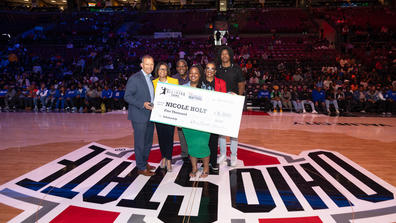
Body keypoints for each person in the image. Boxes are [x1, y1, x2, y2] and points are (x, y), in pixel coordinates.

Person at [124, 55, 156, 176]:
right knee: (140, 142)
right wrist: (142, 104)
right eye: (147, 64)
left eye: (151, 64)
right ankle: (141, 167)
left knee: (148, 142)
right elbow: (127, 96)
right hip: (139, 115)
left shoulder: (152, 78)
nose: (149, 67)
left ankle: (144, 162)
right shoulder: (135, 78)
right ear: (141, 65)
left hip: (151, 115)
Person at [216, 46, 245, 167]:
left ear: (230, 55)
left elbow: (241, 84)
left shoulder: (236, 69)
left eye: (226, 54)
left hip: (233, 103)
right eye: (222, 54)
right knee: (221, 131)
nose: (224, 56)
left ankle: (233, 155)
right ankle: (223, 154)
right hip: (220, 103)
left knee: (233, 131)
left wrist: (238, 99)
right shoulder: (217, 69)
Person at [183, 65, 211, 178]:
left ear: (200, 75)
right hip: (188, 123)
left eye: (196, 73)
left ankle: (206, 167)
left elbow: (216, 103)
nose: (193, 75)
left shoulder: (206, 88)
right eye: (191, 73)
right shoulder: (182, 88)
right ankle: (194, 168)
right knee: (192, 146)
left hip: (203, 123)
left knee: (203, 145)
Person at [152, 62, 179, 172]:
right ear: (157, 71)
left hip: (170, 114)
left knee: (169, 137)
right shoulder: (153, 82)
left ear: (167, 71)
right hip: (158, 114)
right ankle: (163, 157)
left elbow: (178, 97)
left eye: (164, 69)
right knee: (161, 137)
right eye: (160, 69)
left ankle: (169, 160)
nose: (162, 71)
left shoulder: (174, 81)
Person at [201, 62, 227, 172]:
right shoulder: (199, 82)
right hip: (201, 115)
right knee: (203, 140)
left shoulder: (221, 83)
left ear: (215, 71)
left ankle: (212, 161)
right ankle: (204, 161)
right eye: (208, 68)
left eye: (212, 69)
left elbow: (224, 99)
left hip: (214, 116)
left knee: (213, 139)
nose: (210, 71)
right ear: (205, 70)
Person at [172, 59, 190, 163]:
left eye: (183, 66)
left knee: (193, 132)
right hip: (179, 109)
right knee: (181, 132)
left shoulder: (192, 75)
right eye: (179, 66)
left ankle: (194, 152)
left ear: (187, 67)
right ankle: (184, 153)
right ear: (176, 68)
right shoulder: (173, 79)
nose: (181, 68)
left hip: (192, 109)